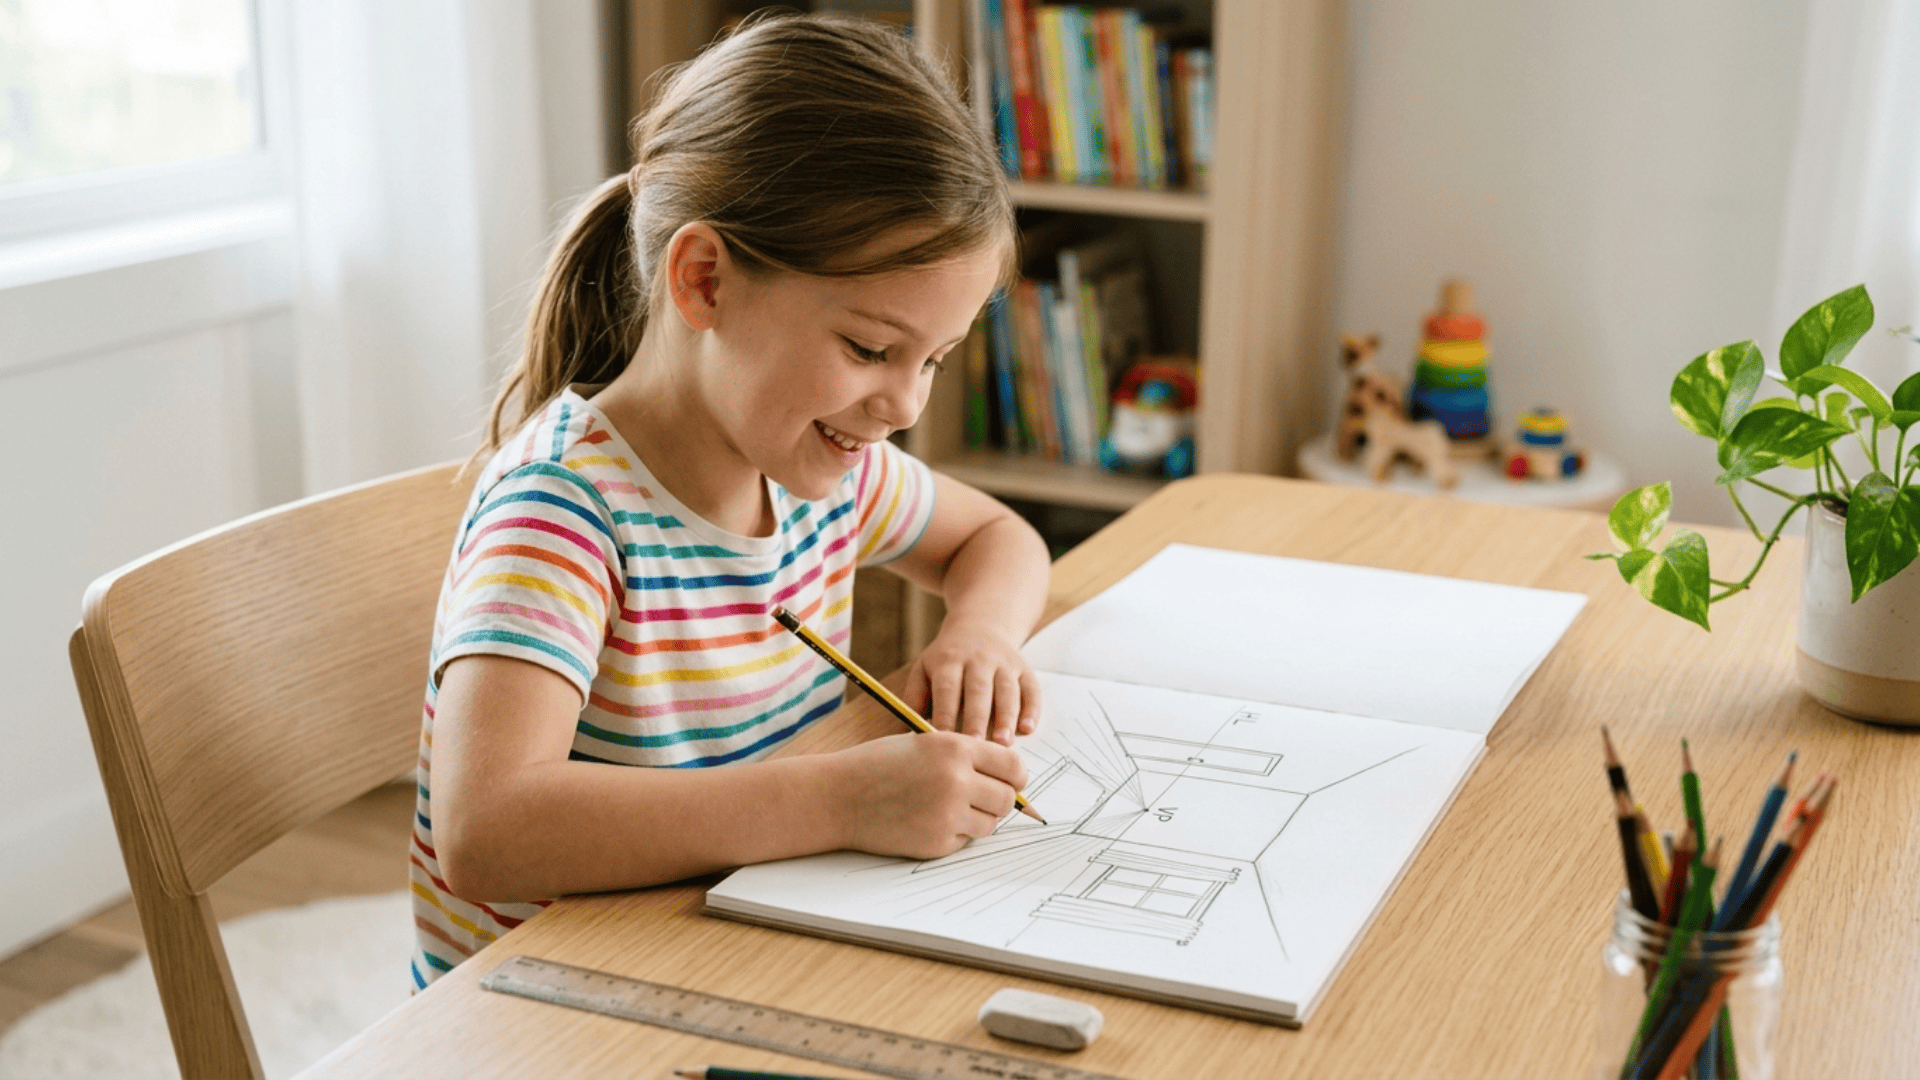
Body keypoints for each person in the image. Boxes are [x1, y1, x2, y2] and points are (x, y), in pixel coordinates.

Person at [407, 12, 1053, 989]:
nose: (905, 404)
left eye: (934, 359)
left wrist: (983, 637)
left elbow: (999, 538)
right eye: (871, 349)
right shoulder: (564, 514)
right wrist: (839, 803)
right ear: (706, 279)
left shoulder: (819, 471)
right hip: (546, 1014)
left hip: (724, 943)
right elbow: (486, 830)